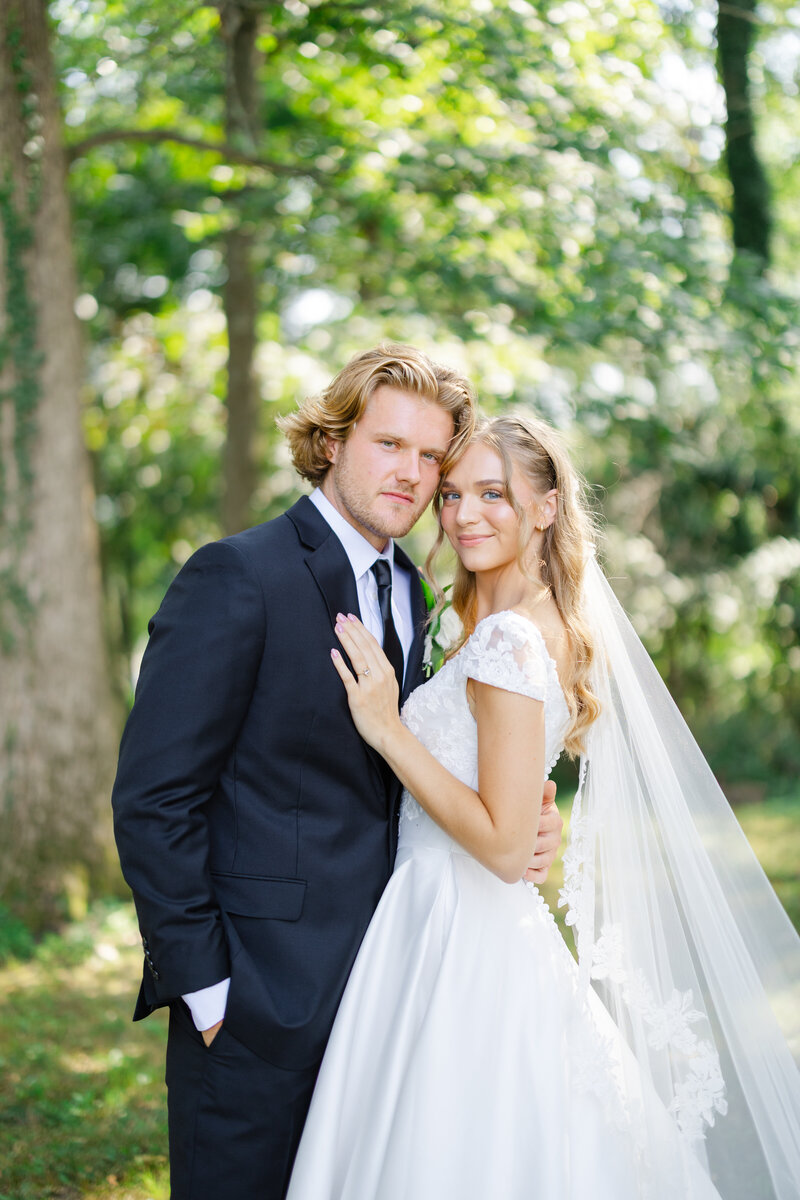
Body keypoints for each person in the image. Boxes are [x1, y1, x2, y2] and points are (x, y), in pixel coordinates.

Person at [286, 413, 800, 1200]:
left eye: (493, 494)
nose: (463, 515)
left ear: (548, 506)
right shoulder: (496, 624)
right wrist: (531, 816)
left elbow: (497, 846)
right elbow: (511, 805)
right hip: (447, 916)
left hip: (460, 928)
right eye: (452, 495)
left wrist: (389, 730)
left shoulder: (509, 642)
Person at [111, 346, 564, 1200]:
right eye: (389, 444)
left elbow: (427, 768)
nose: (412, 473)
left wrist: (526, 818)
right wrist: (208, 992)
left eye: (432, 457)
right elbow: (153, 799)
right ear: (332, 442)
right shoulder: (238, 576)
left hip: (390, 1003)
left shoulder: (423, 598)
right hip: (255, 1009)